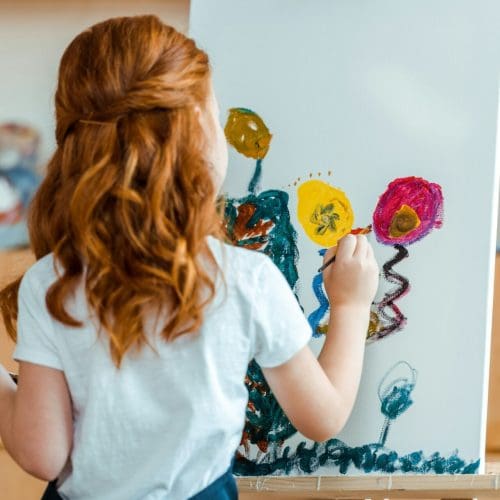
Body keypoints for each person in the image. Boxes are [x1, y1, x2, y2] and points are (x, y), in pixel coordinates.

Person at [0, 15, 379, 500]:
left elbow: (43, 454)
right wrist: (350, 305)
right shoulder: (245, 280)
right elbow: (323, 416)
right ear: (198, 133)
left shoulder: (49, 283)